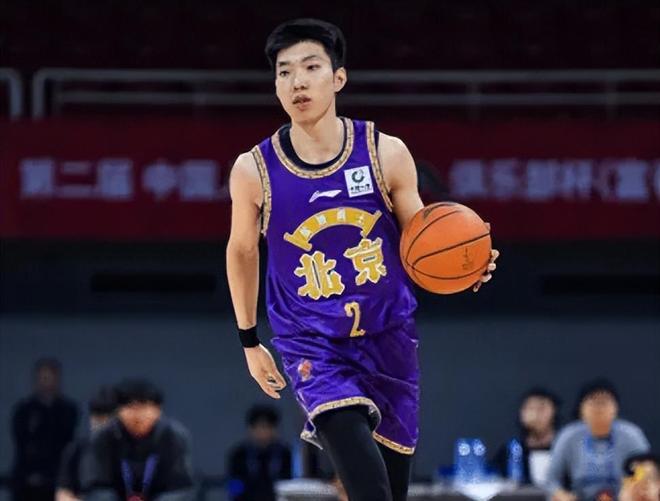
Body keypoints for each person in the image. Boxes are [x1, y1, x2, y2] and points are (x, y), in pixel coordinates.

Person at [225, 18, 499, 501]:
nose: (298, 82)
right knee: (369, 488)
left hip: (388, 337)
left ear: (339, 78)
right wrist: (249, 340)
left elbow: (422, 238)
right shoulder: (254, 169)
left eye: (311, 67)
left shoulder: (384, 151)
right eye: (285, 72)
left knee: (391, 490)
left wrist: (465, 261)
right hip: (313, 342)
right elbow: (243, 252)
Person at [82, 379, 194, 501]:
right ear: (118, 411)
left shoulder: (173, 436)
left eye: (144, 407)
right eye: (130, 407)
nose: (137, 414)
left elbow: (179, 486)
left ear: (158, 410)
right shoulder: (104, 437)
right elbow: (97, 485)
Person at [546, 379, 650, 501]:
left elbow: (649, 471)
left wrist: (632, 490)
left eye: (604, 402)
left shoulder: (631, 435)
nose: (599, 408)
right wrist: (561, 494)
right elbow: (551, 480)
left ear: (616, 408)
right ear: (581, 409)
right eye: (593, 402)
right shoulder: (568, 436)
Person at [11, 358, 79, 501]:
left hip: (58, 474)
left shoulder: (67, 410)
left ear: (57, 380)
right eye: (42, 378)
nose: (46, 382)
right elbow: (22, 442)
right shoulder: (24, 410)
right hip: (28, 476)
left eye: (49, 378)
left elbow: (66, 442)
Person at [56, 386, 118, 501]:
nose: (104, 423)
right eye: (98, 416)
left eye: (109, 417)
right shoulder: (77, 449)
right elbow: (63, 493)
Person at [491, 387, 560, 485]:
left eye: (541, 408)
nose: (535, 414)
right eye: (530, 408)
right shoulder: (510, 452)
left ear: (554, 411)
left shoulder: (567, 449)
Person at [226, 405, 292, 501]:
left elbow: (290, 484)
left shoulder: (285, 454)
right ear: (250, 429)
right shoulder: (239, 455)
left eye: (267, 427)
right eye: (259, 427)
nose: (263, 432)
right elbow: (234, 488)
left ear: (275, 430)